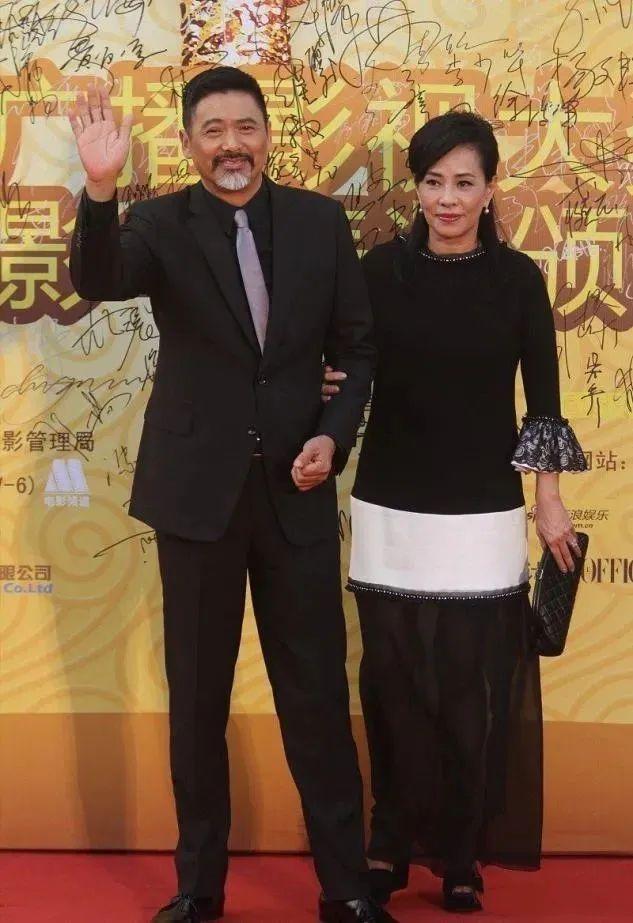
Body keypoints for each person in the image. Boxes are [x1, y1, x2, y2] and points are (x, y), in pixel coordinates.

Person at [68, 66, 396, 923]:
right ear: (188, 144)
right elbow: (99, 278)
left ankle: (345, 886)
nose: (231, 146)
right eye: (211, 131)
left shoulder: (321, 224)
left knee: (315, 694)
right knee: (197, 700)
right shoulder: (158, 224)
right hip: (195, 496)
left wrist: (332, 434)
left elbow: (357, 348)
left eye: (244, 127)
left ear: (267, 134)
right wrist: (99, 189)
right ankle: (199, 887)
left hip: (296, 488)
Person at [322, 111, 587, 913]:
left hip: (481, 511)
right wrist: (323, 386)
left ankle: (462, 852)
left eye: (463, 182)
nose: (446, 198)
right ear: (416, 187)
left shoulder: (517, 281)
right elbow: (347, 366)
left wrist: (547, 500)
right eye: (432, 181)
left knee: (469, 689)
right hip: (389, 504)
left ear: (489, 187)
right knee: (389, 683)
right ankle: (387, 843)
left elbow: (542, 401)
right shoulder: (377, 273)